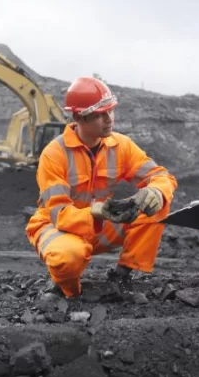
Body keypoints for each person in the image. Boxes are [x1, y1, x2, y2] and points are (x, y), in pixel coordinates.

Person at [25, 76, 178, 298]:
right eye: (100, 114)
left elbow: (162, 176)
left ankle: (122, 277)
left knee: (157, 201)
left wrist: (156, 190)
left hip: (100, 225)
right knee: (67, 257)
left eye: (111, 111)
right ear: (79, 116)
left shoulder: (121, 145)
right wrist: (97, 211)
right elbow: (59, 215)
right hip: (58, 228)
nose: (109, 119)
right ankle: (69, 292)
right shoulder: (54, 154)